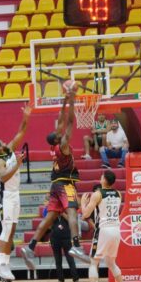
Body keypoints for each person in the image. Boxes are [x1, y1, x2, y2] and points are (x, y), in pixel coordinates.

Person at [20, 91, 90, 269]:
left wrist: (65, 101)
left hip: (55, 185)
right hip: (66, 184)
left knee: (50, 217)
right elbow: (70, 122)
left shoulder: (53, 146)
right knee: (73, 213)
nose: (60, 131)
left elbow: (60, 120)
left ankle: (30, 247)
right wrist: (72, 102)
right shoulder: (64, 145)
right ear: (58, 138)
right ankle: (76, 246)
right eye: (59, 132)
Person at [0, 105, 32, 281]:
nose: (5, 142)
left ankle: (5, 264)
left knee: (13, 228)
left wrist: (26, 116)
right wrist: (18, 164)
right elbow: (4, 177)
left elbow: (21, 131)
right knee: (6, 228)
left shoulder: (9, 150)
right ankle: (0, 263)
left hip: (15, 194)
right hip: (4, 196)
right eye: (2, 142)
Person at [80, 170, 130, 282]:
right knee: (111, 263)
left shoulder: (97, 194)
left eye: (101, 176)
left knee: (93, 262)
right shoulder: (118, 194)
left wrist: (83, 203)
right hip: (116, 230)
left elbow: (85, 214)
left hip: (103, 230)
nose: (100, 178)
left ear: (104, 180)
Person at [49, 211, 83, 282]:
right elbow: (48, 225)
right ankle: (60, 280)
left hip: (66, 238)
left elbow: (71, 221)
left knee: (70, 260)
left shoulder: (67, 209)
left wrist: (62, 213)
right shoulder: (51, 210)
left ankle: (76, 280)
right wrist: (55, 214)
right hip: (55, 239)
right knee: (58, 261)